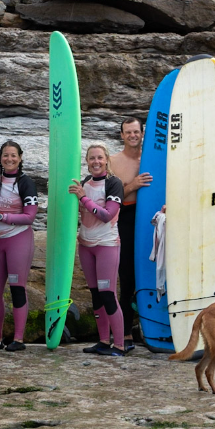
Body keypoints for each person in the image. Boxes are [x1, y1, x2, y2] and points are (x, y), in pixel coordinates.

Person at [0, 140, 38, 352]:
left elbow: (30, 216)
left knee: (17, 290)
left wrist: (1, 216)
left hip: (18, 240)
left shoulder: (26, 183)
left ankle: (19, 339)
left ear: (20, 158)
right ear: (0, 158)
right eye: (5, 155)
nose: (9, 159)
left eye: (13, 155)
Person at [71, 143, 126, 356]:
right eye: (92, 158)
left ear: (106, 160)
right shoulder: (85, 182)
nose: (96, 162)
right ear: (87, 161)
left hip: (106, 245)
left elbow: (107, 215)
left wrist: (83, 198)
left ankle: (119, 344)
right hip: (86, 246)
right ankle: (103, 341)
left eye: (100, 158)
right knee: (95, 295)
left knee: (108, 294)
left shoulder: (114, 183)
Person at [109, 118, 149, 344]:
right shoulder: (113, 162)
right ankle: (124, 331)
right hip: (125, 218)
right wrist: (132, 186)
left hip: (152, 220)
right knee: (126, 276)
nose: (133, 135)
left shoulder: (153, 157)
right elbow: (107, 198)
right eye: (128, 132)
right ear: (122, 135)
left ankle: (149, 327)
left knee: (152, 272)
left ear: (143, 133)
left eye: (136, 131)